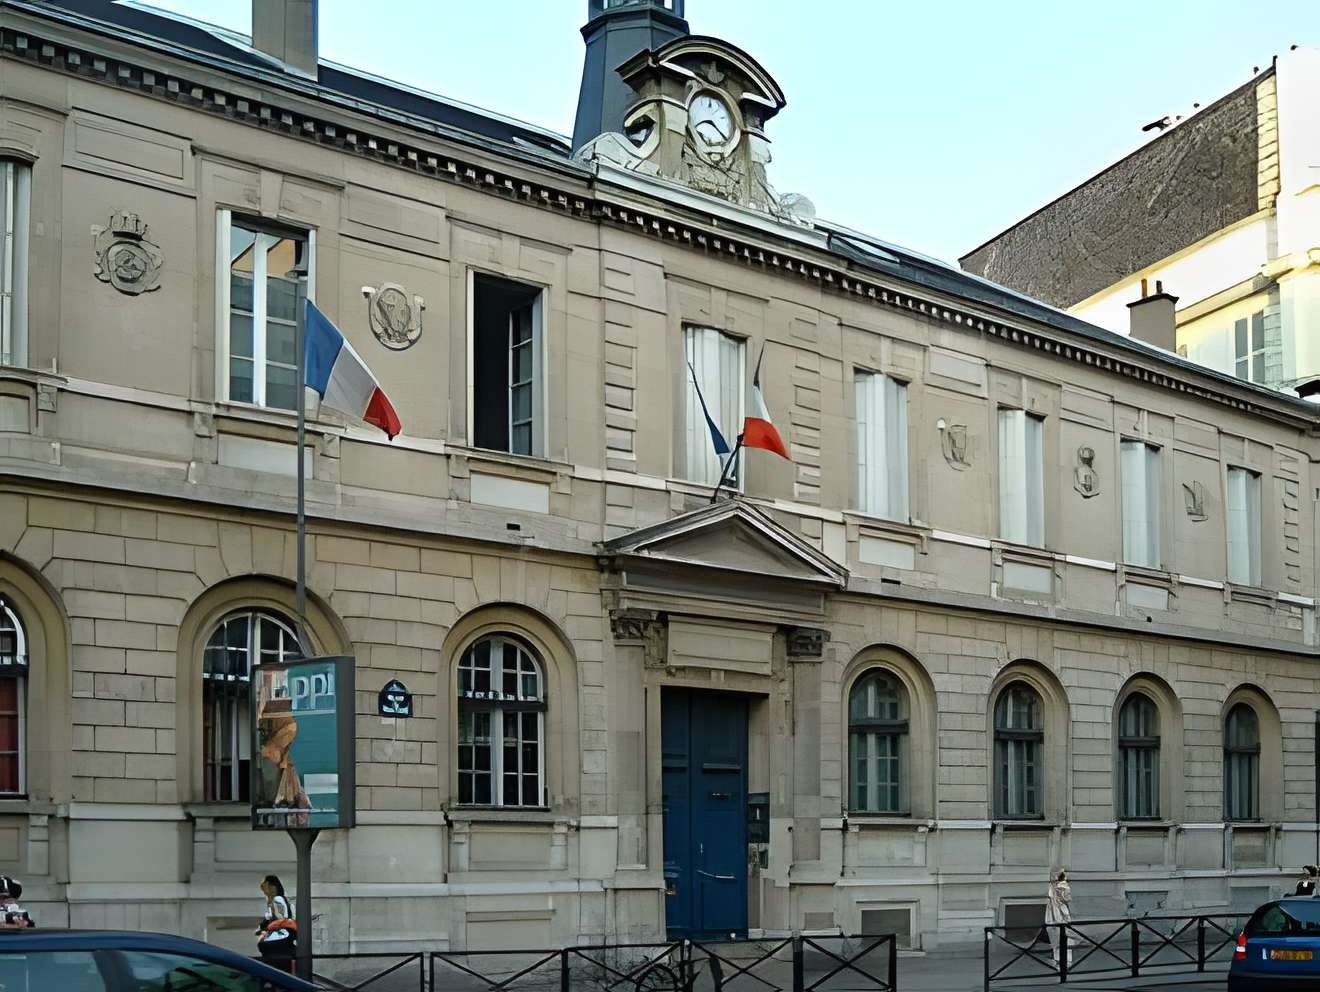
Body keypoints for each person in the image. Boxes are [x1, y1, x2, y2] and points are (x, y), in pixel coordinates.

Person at [255, 875, 296, 974]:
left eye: (265, 887)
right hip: (282, 932)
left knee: (265, 945)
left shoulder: (277, 899)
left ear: (272, 887)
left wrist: (265, 926)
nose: (264, 891)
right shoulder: (277, 900)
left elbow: (281, 917)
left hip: (282, 933)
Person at [1045, 868, 1072, 969]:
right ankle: (1062, 958)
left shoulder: (1055, 887)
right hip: (1058, 913)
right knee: (1061, 935)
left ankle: (1061, 958)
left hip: (1057, 913)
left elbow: (1066, 898)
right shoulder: (1060, 887)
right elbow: (1067, 899)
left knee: (1058, 935)